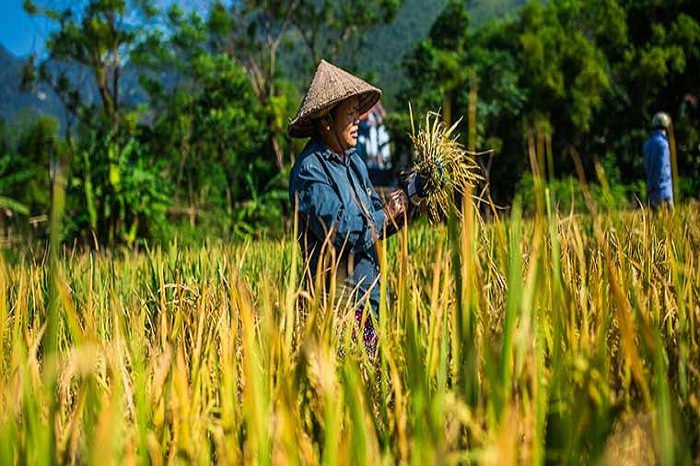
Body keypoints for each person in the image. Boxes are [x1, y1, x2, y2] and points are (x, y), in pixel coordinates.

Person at [288, 60, 418, 357]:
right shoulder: (310, 171)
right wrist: (385, 213)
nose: (358, 119)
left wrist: (412, 200)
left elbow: (378, 224)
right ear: (326, 120)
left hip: (372, 302)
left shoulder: (355, 163)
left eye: (359, 112)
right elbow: (343, 230)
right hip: (338, 311)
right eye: (350, 112)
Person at [643, 112, 674, 211]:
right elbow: (662, 168)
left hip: (650, 192)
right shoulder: (663, 144)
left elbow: (646, 167)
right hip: (663, 192)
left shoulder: (647, 144)